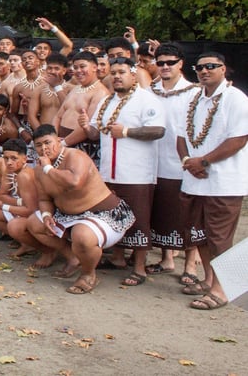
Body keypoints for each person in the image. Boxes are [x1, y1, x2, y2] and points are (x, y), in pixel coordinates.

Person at [83, 58, 165, 286]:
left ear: (133, 75)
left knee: (138, 219)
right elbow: (93, 133)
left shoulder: (147, 99)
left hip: (136, 173)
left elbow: (158, 130)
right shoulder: (106, 101)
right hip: (109, 172)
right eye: (113, 72)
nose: (117, 76)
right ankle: (118, 258)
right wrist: (84, 125)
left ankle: (139, 268)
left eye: (122, 72)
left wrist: (127, 131)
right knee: (113, 216)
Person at [176, 52, 248, 310]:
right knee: (198, 234)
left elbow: (239, 139)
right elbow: (181, 136)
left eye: (211, 66)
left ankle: (222, 289)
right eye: (200, 68)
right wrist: (188, 161)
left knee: (219, 238)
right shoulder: (193, 100)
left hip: (224, 182)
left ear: (224, 69)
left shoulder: (236, 99)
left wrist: (203, 161)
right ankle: (208, 279)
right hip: (194, 179)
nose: (205, 71)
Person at [26, 125, 136, 295]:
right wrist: (47, 215)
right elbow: (44, 198)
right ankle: (73, 257)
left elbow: (74, 182)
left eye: (48, 142)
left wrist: (49, 168)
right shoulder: (39, 170)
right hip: (67, 215)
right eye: (39, 145)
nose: (44, 148)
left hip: (103, 214)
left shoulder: (75, 156)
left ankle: (88, 274)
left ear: (59, 141)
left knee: (82, 236)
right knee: (35, 222)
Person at [147, 44, 201, 283]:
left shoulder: (194, 92)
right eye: (160, 63)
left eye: (170, 62)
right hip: (153, 161)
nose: (165, 67)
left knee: (186, 215)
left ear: (181, 63)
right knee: (161, 211)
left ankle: (190, 264)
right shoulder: (150, 90)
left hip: (182, 161)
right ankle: (166, 258)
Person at [0, 139, 39, 258]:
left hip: (38, 214)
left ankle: (47, 251)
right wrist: (17, 202)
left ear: (24, 159)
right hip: (25, 209)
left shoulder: (25, 175)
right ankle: (25, 244)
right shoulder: (10, 170)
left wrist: (3, 206)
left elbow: (31, 210)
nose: (8, 162)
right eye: (6, 158)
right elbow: (2, 194)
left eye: (14, 158)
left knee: (14, 226)